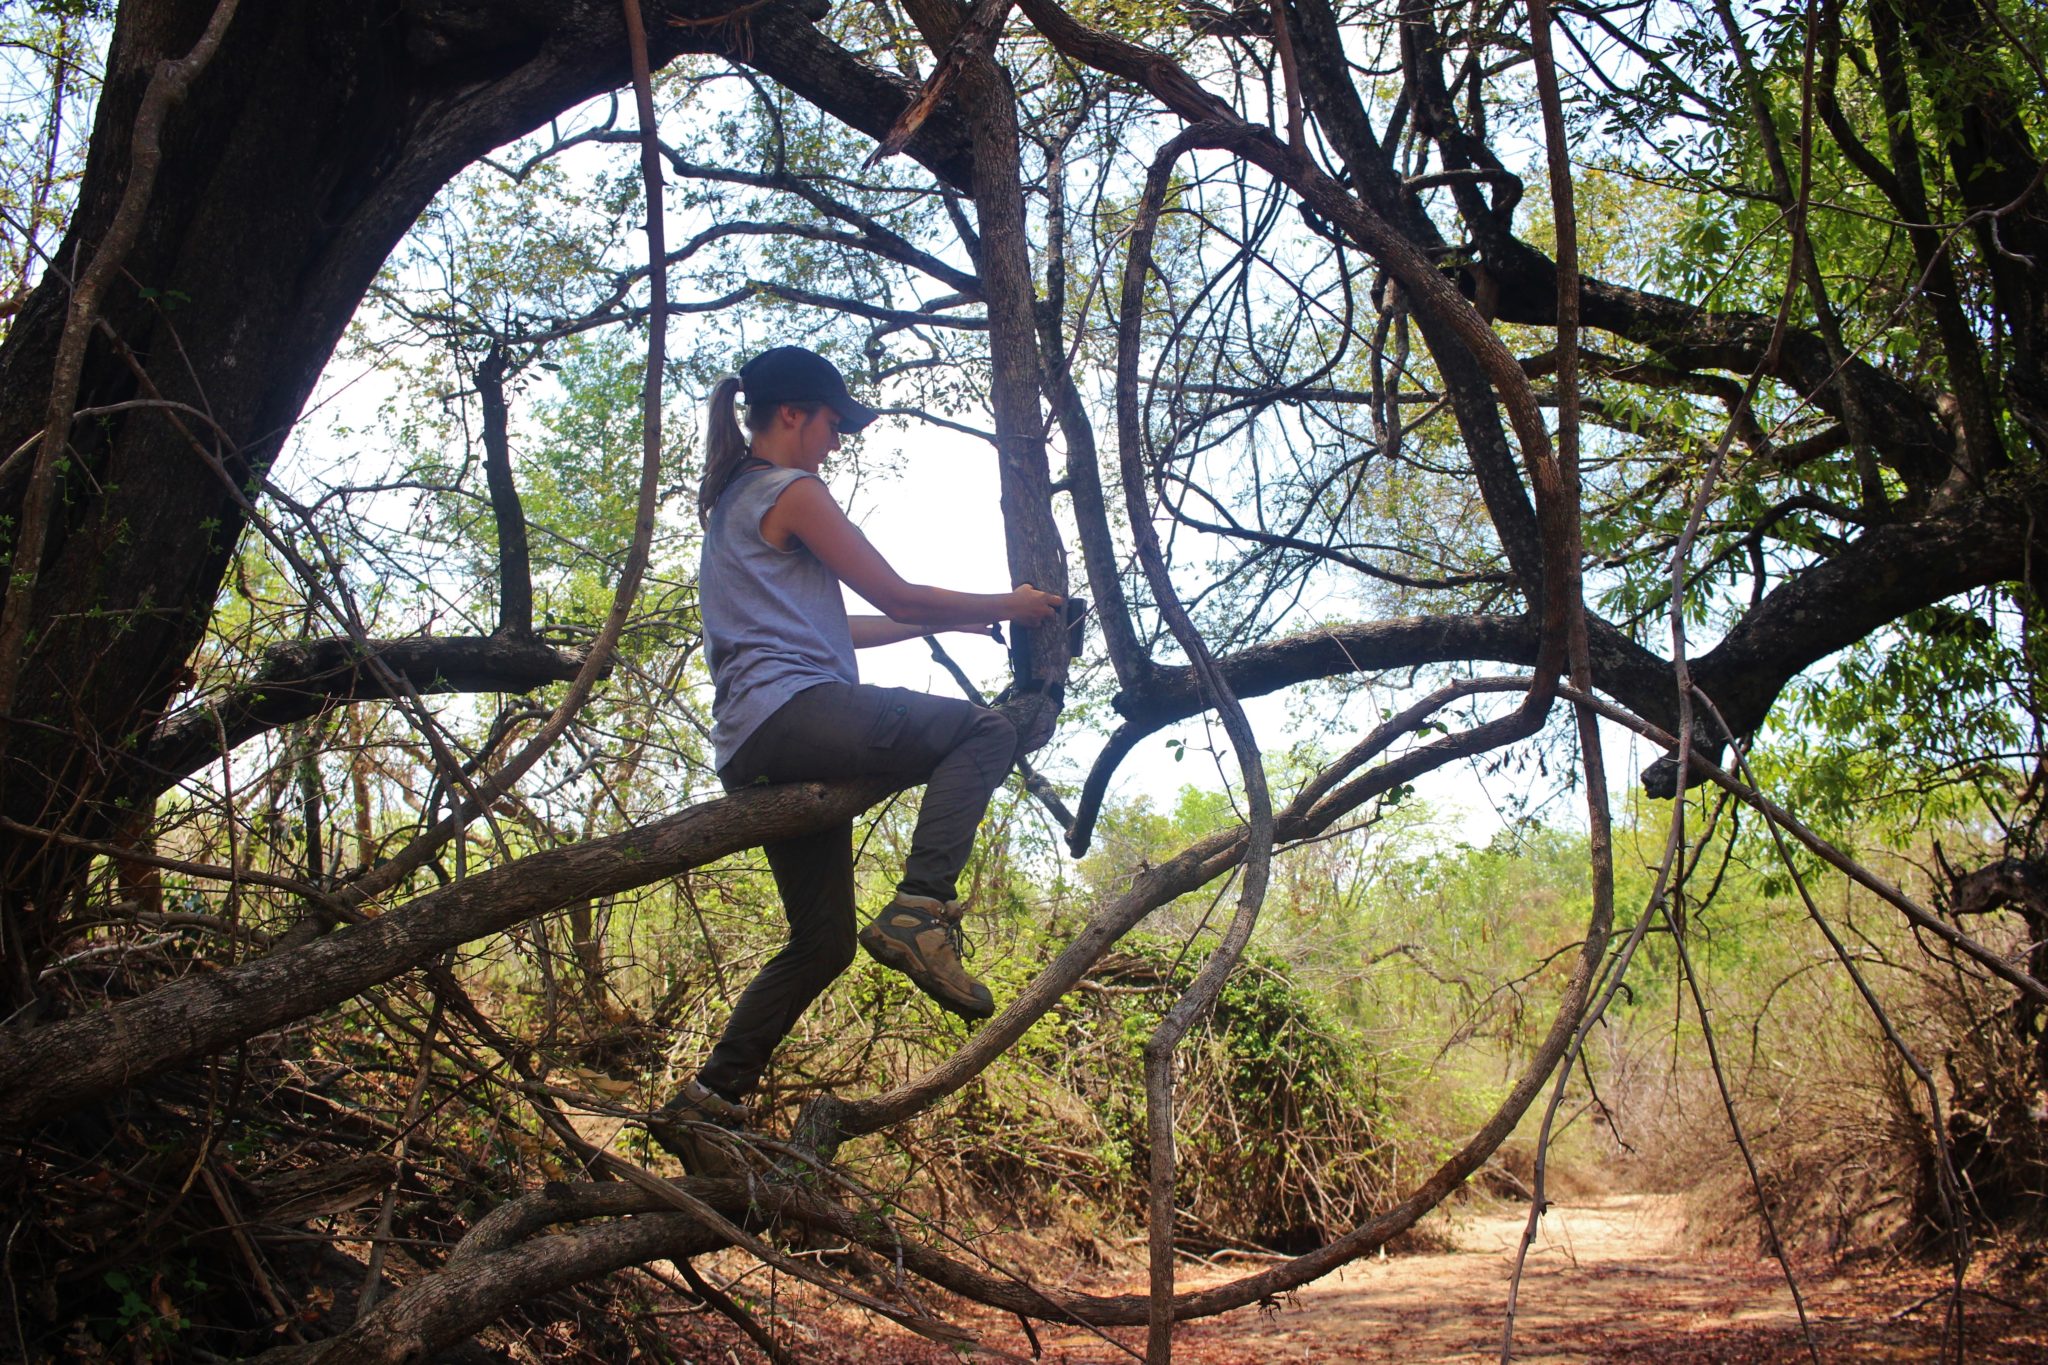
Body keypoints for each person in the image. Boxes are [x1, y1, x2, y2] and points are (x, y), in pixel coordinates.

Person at [648, 345, 1061, 1171]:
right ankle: (921, 909)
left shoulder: (735, 503)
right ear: (793, 413)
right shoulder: (790, 490)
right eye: (834, 424)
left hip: (755, 738)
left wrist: (945, 623)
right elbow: (896, 592)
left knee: (824, 939)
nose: (835, 443)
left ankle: (706, 1100)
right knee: (983, 729)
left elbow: (855, 625)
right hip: (794, 714)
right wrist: (1011, 604)